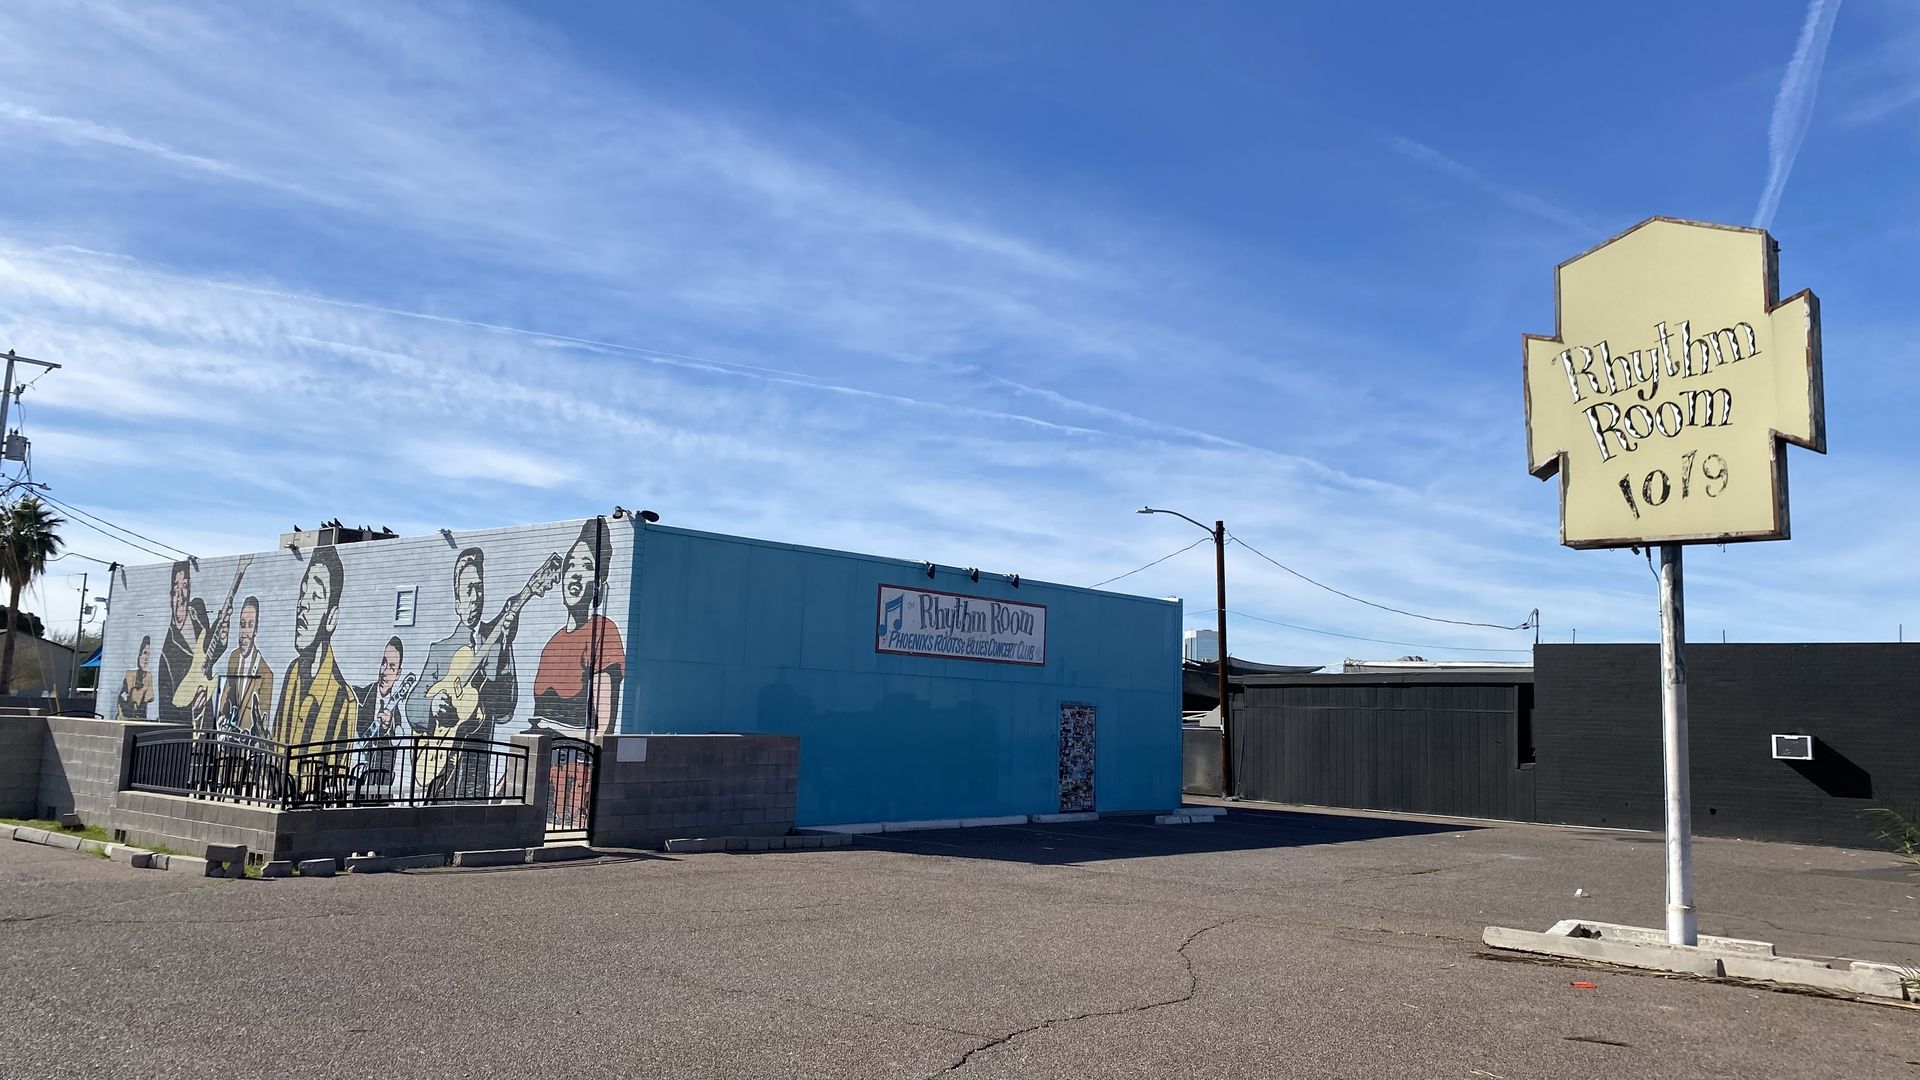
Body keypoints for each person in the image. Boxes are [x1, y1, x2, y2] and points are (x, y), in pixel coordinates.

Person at [410, 547, 556, 796]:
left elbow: (504, 711)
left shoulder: (497, 641)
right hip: (438, 754)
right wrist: (433, 706)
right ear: (457, 602)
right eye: (468, 590)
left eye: (479, 587)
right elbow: (412, 705)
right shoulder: (440, 649)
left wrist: (506, 644)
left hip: (476, 766)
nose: (475, 595)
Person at [533, 517, 624, 735]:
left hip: (577, 762)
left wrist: (551, 729)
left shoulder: (604, 632)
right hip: (542, 763)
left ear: (599, 582)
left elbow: (603, 730)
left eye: (586, 566)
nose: (575, 573)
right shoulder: (551, 644)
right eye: (571, 564)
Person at [276, 547, 355, 747]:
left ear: (331, 618)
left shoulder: (344, 700)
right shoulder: (293, 673)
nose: (303, 603)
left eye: (316, 595)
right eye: (303, 593)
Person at [156, 561, 225, 726]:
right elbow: (167, 713)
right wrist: (193, 708)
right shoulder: (166, 653)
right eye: (176, 588)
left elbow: (209, 655)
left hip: (208, 715)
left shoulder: (198, 613)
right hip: (188, 728)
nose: (181, 595)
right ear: (170, 594)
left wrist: (222, 633)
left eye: (185, 586)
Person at [219, 596, 274, 736]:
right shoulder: (233, 658)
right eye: (242, 624)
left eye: (250, 625)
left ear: (256, 630)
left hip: (247, 748)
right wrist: (221, 716)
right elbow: (226, 692)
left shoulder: (266, 673)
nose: (244, 633)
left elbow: (263, 720)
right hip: (228, 743)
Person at [116, 636, 154, 721]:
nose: (146, 658)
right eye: (144, 653)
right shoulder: (130, 674)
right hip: (126, 716)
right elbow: (123, 696)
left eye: (149, 654)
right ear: (139, 655)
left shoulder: (148, 676)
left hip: (140, 718)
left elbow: (148, 700)